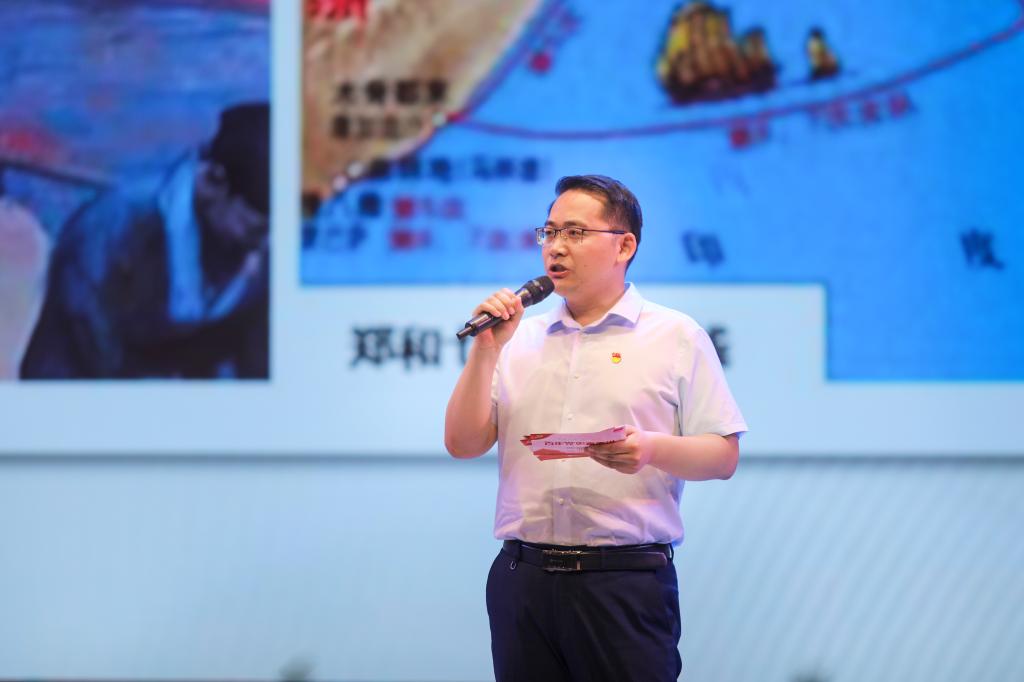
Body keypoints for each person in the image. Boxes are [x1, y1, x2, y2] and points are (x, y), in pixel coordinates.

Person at [445, 174, 747, 681]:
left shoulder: (676, 335)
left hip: (623, 584)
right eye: (549, 232)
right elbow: (462, 443)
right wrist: (486, 351)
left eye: (575, 232)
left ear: (624, 246)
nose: (556, 247)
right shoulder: (518, 339)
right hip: (523, 579)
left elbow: (723, 455)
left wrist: (650, 449)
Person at [20, 102, 270, 379]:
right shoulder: (108, 229)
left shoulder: (255, 249)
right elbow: (90, 343)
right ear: (212, 182)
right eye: (256, 230)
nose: (264, 245)